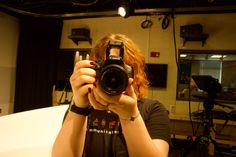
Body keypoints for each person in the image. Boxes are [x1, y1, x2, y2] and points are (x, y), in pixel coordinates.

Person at [52, 34, 170, 157]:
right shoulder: (83, 105)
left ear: (134, 73)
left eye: (120, 68)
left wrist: (130, 115)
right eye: (107, 68)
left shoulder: (153, 110)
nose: (113, 76)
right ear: (94, 70)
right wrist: (79, 107)